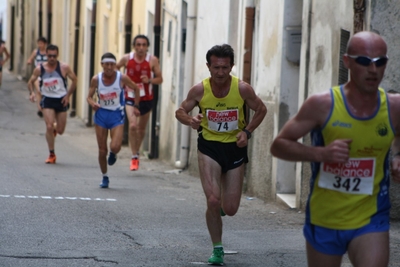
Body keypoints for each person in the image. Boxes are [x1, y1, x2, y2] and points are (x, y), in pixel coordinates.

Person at [270, 31, 400, 267]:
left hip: (371, 217)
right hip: (325, 217)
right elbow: (279, 145)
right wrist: (321, 154)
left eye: (380, 62)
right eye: (364, 61)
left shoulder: (394, 107)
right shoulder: (322, 104)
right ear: (347, 62)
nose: (373, 69)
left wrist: (398, 155)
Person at [175, 44, 267, 265]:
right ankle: (217, 249)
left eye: (225, 68)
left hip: (235, 147)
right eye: (216, 67)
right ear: (208, 67)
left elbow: (261, 109)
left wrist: (247, 132)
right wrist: (191, 121)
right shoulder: (199, 90)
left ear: (231, 67)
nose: (220, 72)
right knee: (214, 199)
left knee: (231, 208)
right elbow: (180, 111)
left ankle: (220, 209)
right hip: (209, 147)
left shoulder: (242, 89)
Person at [87, 52, 140, 188]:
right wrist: (93, 103)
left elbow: (135, 88)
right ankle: (105, 176)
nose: (109, 67)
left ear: (115, 65)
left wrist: (136, 105)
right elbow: (89, 96)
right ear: (102, 65)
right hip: (101, 115)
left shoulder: (121, 78)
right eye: (107, 64)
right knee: (101, 150)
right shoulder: (96, 79)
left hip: (116, 114)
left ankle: (113, 153)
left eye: (112, 64)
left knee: (115, 146)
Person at [116, 34, 163, 171]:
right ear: (134, 46)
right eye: (138, 45)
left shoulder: (152, 60)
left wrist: (149, 80)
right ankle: (134, 156)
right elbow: (115, 70)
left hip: (146, 98)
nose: (141, 48)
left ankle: (136, 153)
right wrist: (121, 82)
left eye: (144, 45)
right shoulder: (126, 58)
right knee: (132, 126)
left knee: (141, 129)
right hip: (130, 96)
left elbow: (160, 79)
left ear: (147, 47)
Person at [27, 44, 77, 164]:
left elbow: (75, 80)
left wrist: (68, 95)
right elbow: (31, 81)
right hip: (48, 99)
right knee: (49, 126)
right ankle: (51, 154)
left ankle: (54, 129)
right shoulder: (40, 68)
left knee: (60, 130)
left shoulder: (64, 67)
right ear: (46, 56)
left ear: (57, 55)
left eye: (54, 56)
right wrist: (32, 93)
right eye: (49, 56)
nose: (52, 58)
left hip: (61, 100)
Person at [27, 37, 48, 118]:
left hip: (46, 75)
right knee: (39, 91)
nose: (40, 45)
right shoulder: (36, 52)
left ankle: (44, 106)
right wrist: (29, 61)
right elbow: (30, 59)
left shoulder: (47, 53)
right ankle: (40, 109)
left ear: (45, 44)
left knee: (44, 92)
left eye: (41, 43)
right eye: (39, 43)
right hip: (37, 74)